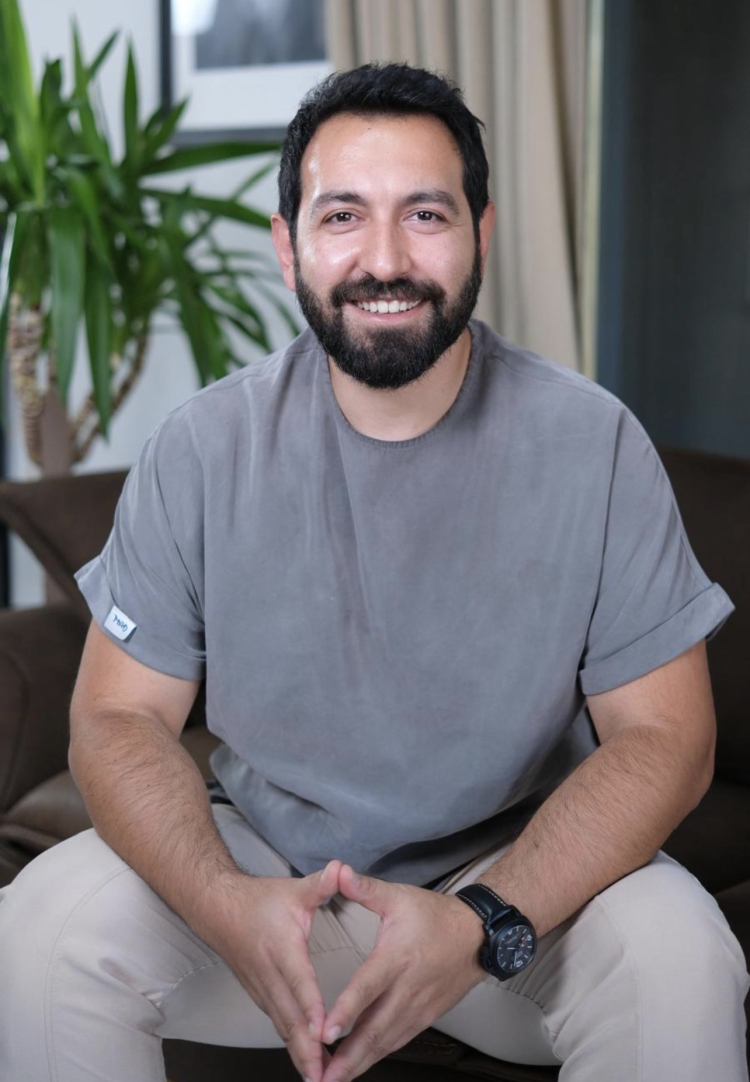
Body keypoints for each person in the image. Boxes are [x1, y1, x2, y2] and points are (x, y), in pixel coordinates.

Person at [0, 62, 748, 1082]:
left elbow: (667, 737)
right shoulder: (203, 448)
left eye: (426, 215)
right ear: (288, 245)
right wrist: (222, 901)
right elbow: (116, 717)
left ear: (481, 232)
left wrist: (484, 920)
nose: (385, 259)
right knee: (39, 930)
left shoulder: (594, 444)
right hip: (265, 884)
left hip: (516, 902)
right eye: (343, 215)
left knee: (681, 959)